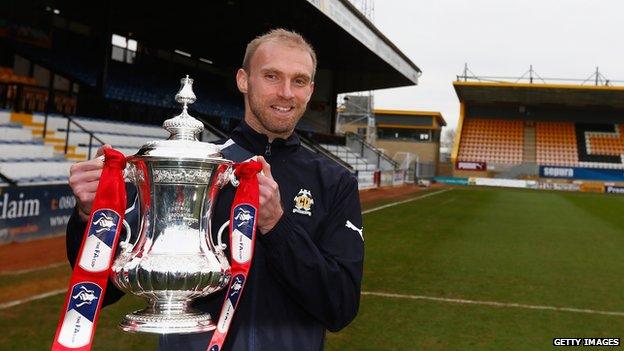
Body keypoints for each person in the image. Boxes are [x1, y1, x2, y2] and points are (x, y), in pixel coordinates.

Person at [66, 28, 364, 351]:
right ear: (243, 80)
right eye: (272, 76)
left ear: (311, 90)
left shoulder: (335, 183)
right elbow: (108, 289)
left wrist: (278, 227)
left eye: (299, 81)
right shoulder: (190, 169)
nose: (286, 93)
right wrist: (89, 215)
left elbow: (341, 307)